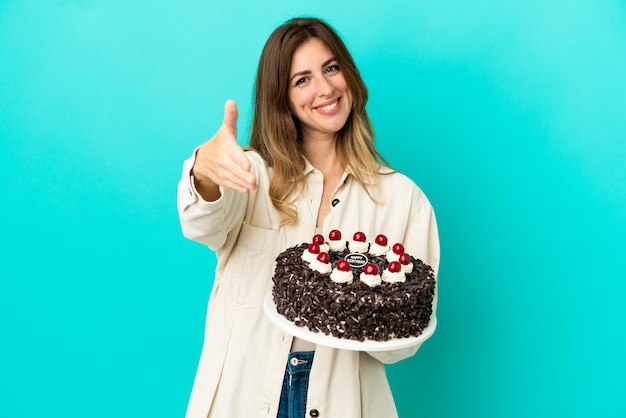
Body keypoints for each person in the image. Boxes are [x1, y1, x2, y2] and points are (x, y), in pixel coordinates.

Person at [177, 17, 439, 418]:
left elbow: (402, 345)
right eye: (302, 79)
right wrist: (204, 171)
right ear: (280, 97)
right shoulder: (249, 175)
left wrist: (364, 302)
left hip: (343, 403)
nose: (325, 88)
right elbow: (201, 221)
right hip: (242, 396)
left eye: (331, 68)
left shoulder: (404, 201)